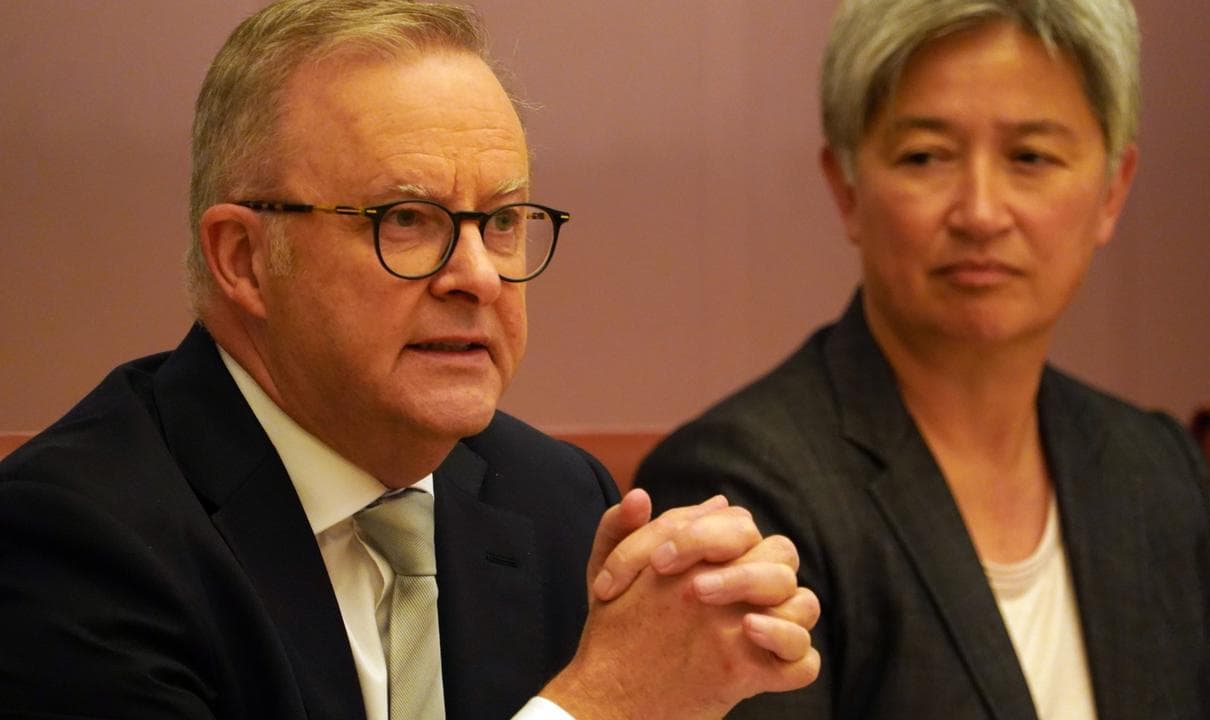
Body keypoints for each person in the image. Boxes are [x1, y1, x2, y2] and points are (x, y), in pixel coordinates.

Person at [0, 2, 820, 719]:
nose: (477, 276)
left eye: (501, 220)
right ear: (245, 259)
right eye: (407, 219)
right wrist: (607, 706)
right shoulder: (73, 542)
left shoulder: (558, 504)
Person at [636, 0, 1210, 717]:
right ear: (845, 187)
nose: (980, 212)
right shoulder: (744, 492)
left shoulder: (1161, 474)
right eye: (926, 156)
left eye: (1030, 157)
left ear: (1112, 191)